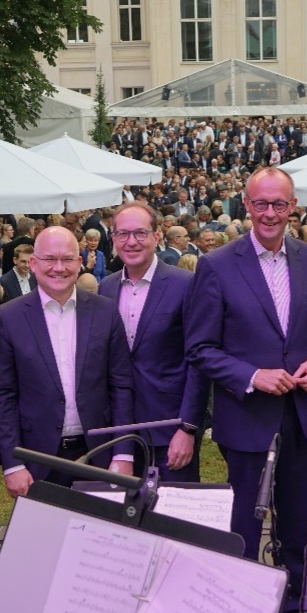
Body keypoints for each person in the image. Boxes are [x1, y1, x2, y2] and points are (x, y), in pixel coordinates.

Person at [185, 166, 307, 607]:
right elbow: (200, 347)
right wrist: (252, 375)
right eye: (262, 203)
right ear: (246, 205)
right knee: (244, 531)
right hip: (247, 420)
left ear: (293, 206)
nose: (270, 213)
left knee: (297, 529)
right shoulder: (216, 265)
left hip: (302, 417)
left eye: (280, 204)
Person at [0, 226, 134, 494]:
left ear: (80, 263)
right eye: (49, 259)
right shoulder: (7, 318)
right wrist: (12, 464)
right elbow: (4, 395)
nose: (59, 267)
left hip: (99, 455)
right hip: (38, 458)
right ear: (33, 263)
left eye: (67, 259)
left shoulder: (105, 311)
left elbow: (121, 385)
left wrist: (123, 453)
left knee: (98, 534)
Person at [99, 202, 209, 481]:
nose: (131, 242)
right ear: (113, 239)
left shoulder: (186, 284)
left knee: (171, 519)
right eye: (123, 234)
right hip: (118, 429)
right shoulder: (106, 288)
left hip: (170, 427)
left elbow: (198, 361)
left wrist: (188, 428)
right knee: (122, 518)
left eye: (140, 233)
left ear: (156, 236)